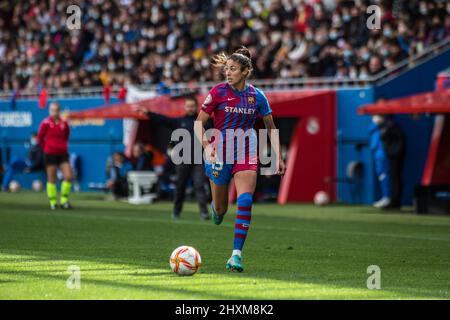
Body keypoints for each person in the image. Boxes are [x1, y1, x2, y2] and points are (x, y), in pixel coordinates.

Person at [195, 46, 286, 272]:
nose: (228, 73)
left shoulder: (257, 96)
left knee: (245, 200)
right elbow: (198, 123)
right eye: (226, 69)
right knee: (221, 209)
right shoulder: (217, 93)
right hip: (219, 154)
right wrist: (206, 145)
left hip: (246, 152)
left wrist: (279, 157)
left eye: (233, 69)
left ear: (245, 71)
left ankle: (236, 255)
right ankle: (217, 211)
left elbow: (270, 127)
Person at [135, 96, 210, 220]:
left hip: (199, 160)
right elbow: (163, 119)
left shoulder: (204, 122)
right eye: (188, 106)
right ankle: (176, 212)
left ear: (197, 107)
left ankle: (204, 213)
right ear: (185, 107)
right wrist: (148, 113)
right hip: (183, 160)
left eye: (192, 106)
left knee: (199, 185)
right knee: (180, 186)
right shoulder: (179, 121)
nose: (190, 108)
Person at [37, 102, 73, 210]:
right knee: (51, 178)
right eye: (52, 110)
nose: (54, 112)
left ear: (59, 111)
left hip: (63, 154)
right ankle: (53, 202)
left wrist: (62, 146)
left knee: (68, 176)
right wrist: (46, 148)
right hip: (50, 154)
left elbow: (66, 135)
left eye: (56, 110)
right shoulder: (45, 123)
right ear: (49, 111)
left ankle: (64, 201)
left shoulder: (64, 123)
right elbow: (40, 138)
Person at [379, 115, 406, 209]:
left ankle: (395, 201)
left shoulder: (391, 126)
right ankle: (394, 200)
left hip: (396, 155)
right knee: (393, 177)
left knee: (395, 177)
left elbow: (397, 139)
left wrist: (394, 152)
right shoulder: (387, 126)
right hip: (393, 155)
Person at [369, 114, 391, 209]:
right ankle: (384, 197)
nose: (376, 118)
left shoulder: (387, 125)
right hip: (376, 152)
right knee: (380, 174)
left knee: (383, 174)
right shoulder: (374, 127)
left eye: (379, 116)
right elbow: (370, 131)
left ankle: (387, 197)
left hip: (383, 153)